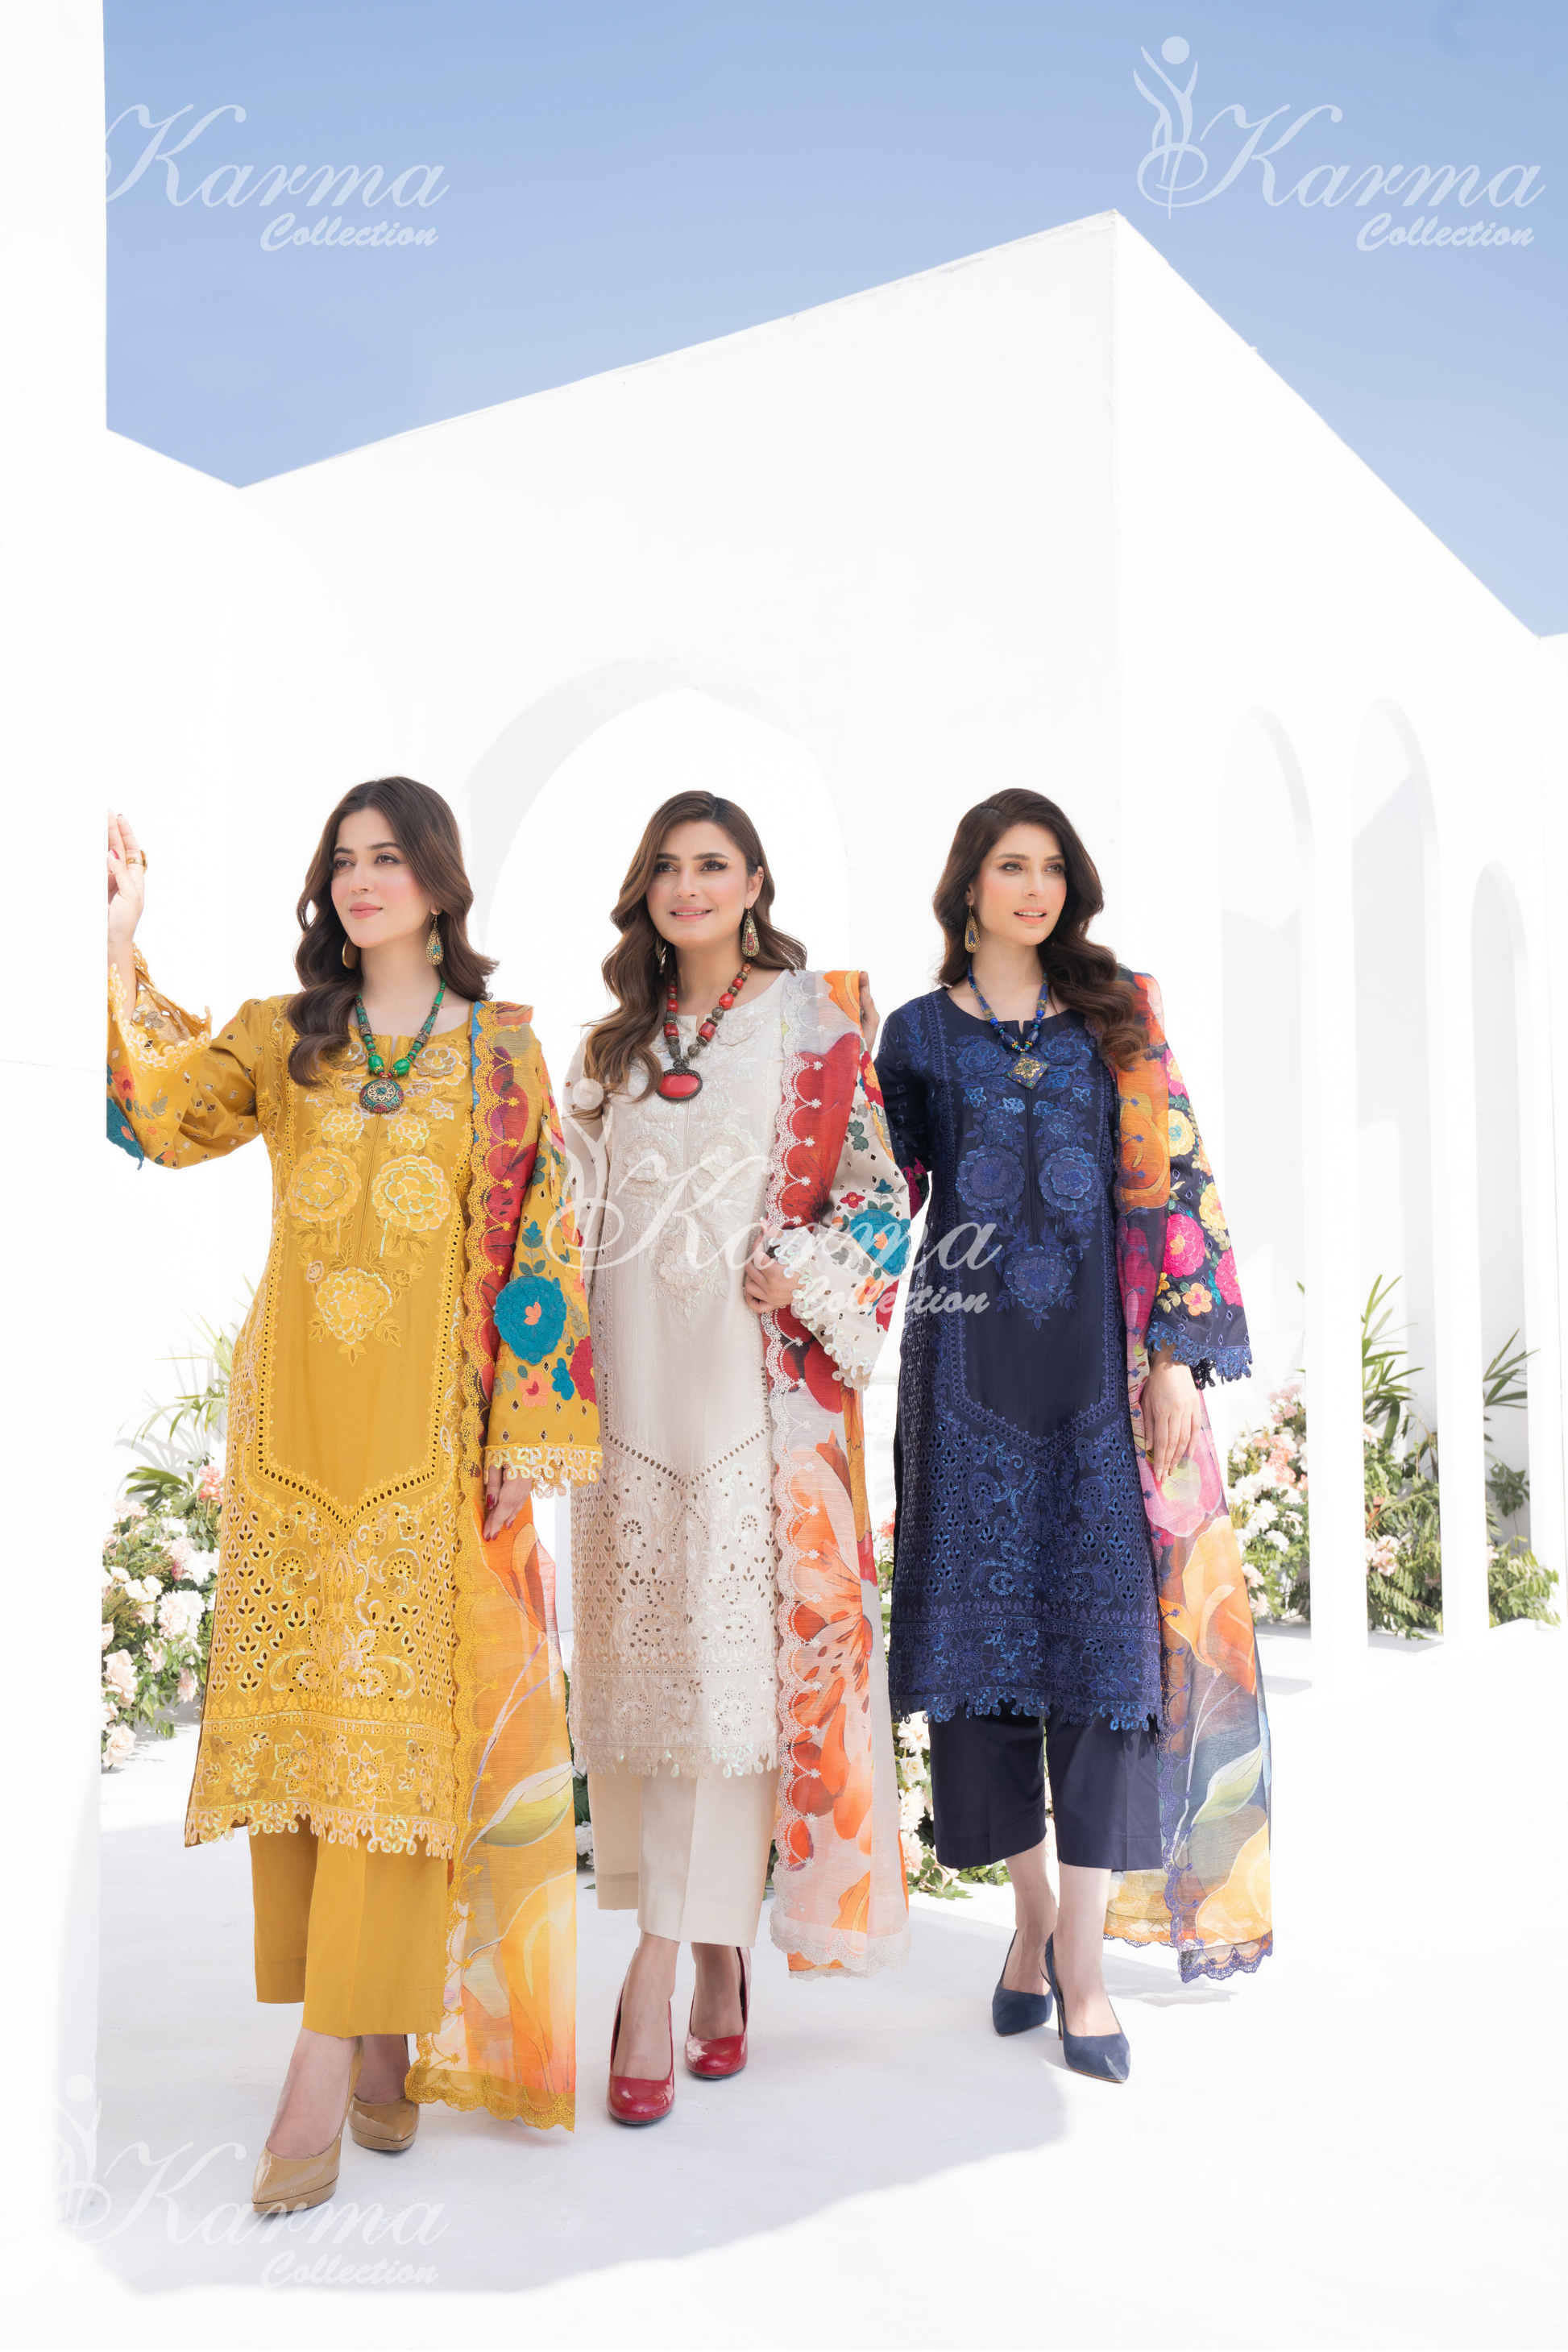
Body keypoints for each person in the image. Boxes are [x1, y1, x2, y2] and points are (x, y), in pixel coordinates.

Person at [106, 778, 599, 2209]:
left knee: (397, 1742)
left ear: (439, 880)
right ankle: (376, 2033)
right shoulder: (286, 1035)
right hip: (292, 1437)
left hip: (429, 1444)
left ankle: (319, 2068)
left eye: (389, 857)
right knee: (315, 1740)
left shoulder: (500, 1051)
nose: (362, 879)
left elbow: (545, 1244)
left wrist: (526, 1432)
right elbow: (161, 1114)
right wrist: (119, 943)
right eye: (343, 859)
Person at [876, 788, 1271, 2085]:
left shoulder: (1118, 1017)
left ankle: (1085, 1967)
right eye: (1010, 865)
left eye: (1050, 866)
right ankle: (1033, 1915)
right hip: (964, 1381)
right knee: (987, 1669)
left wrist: (1172, 1354)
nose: (1034, 887)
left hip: (1099, 1382)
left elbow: (1180, 1187)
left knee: (1108, 1668)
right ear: (967, 886)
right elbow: (877, 1199)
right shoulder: (917, 1034)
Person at [562, 790, 911, 2125]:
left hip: (754, 1406)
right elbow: (561, 1207)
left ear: (755, 881)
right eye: (666, 865)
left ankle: (657, 1969)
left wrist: (805, 1268)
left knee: (737, 1686)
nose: (688, 885)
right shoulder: (611, 1044)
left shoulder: (814, 1025)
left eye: (712, 864)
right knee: (653, 1698)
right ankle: (715, 1949)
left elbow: (880, 1199)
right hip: (629, 1406)